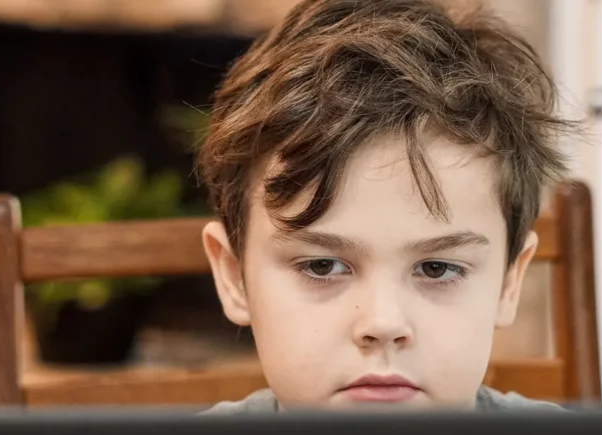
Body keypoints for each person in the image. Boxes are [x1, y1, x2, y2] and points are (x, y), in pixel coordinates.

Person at [198, 0, 576, 413]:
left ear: (509, 283)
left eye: (438, 268)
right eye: (321, 266)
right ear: (234, 277)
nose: (382, 323)